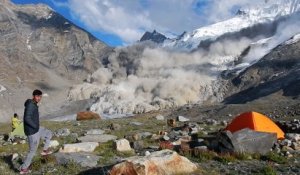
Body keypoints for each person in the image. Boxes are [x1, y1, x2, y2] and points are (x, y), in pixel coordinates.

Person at [19, 89, 53, 174]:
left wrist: (37, 127)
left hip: (36, 129)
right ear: (33, 96)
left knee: (49, 133)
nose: (39, 98)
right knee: (32, 151)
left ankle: (45, 150)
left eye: (40, 96)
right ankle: (23, 169)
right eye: (37, 96)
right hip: (32, 132)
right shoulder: (30, 105)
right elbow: (27, 118)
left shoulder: (34, 104)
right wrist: (35, 126)